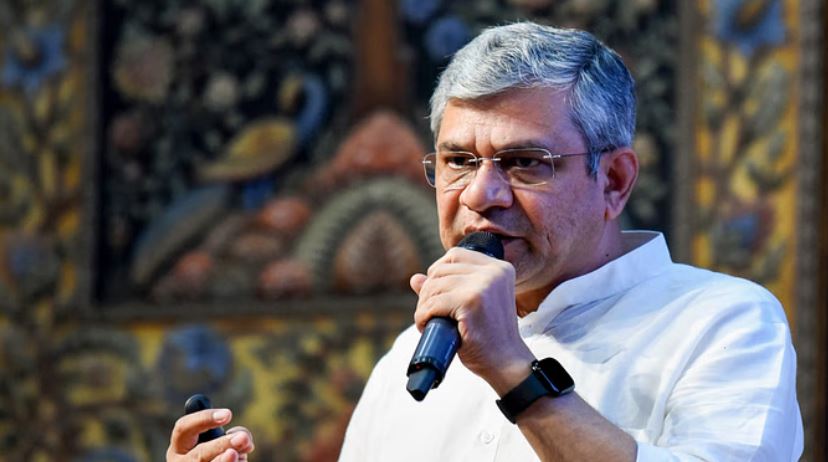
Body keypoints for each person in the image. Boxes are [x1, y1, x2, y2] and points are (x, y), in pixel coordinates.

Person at [167, 22, 803, 461]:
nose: (480, 194)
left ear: (613, 180)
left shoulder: (723, 322)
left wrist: (511, 369)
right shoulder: (410, 357)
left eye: (524, 163)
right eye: (458, 162)